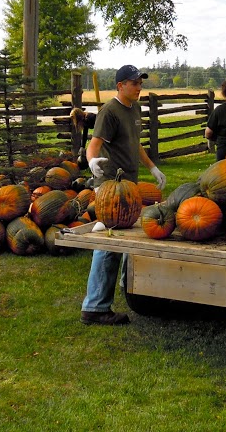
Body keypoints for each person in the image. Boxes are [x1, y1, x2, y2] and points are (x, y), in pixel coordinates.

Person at [81, 64, 167, 326]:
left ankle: (126, 284)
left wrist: (152, 167)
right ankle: (94, 307)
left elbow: (134, 142)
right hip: (109, 185)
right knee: (109, 242)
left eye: (140, 83)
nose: (139, 87)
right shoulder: (110, 111)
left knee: (127, 238)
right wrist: (92, 162)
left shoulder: (134, 108)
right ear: (120, 86)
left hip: (128, 184)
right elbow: (93, 145)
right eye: (134, 83)